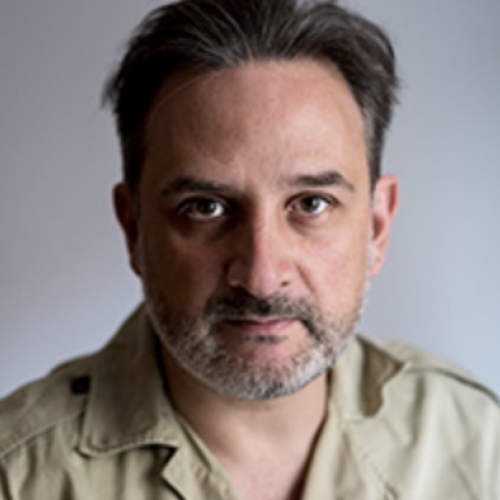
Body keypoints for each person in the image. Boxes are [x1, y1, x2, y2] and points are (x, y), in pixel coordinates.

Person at [0, 0, 498, 498]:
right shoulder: (16, 477)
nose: (261, 276)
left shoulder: (478, 444)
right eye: (205, 207)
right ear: (134, 229)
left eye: (311, 203)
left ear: (377, 225)